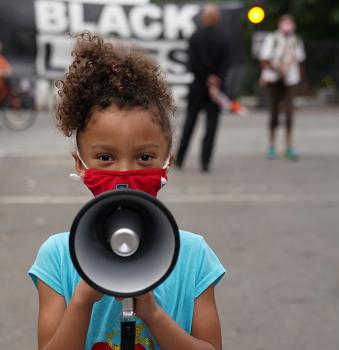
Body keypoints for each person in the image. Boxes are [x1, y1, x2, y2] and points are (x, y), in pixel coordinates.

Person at [28, 33, 225, 350]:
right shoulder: (57, 257)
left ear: (167, 164)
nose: (123, 174)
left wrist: (152, 313)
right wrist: (81, 300)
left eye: (144, 158)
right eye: (105, 158)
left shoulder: (194, 256)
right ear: (80, 165)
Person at [175, 5, 231, 173]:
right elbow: (226, 63)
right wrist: (215, 78)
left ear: (204, 18)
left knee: (190, 123)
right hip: (216, 88)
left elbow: (192, 63)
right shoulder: (224, 38)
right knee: (211, 125)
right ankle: (205, 161)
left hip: (198, 85)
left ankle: (180, 158)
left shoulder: (195, 36)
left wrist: (205, 77)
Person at [259, 14, 306, 160]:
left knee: (290, 113)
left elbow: (300, 62)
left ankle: (289, 146)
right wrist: (278, 71)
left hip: (290, 80)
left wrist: (301, 81)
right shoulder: (272, 39)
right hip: (274, 79)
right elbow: (264, 60)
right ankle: (271, 145)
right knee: (273, 112)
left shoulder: (296, 40)